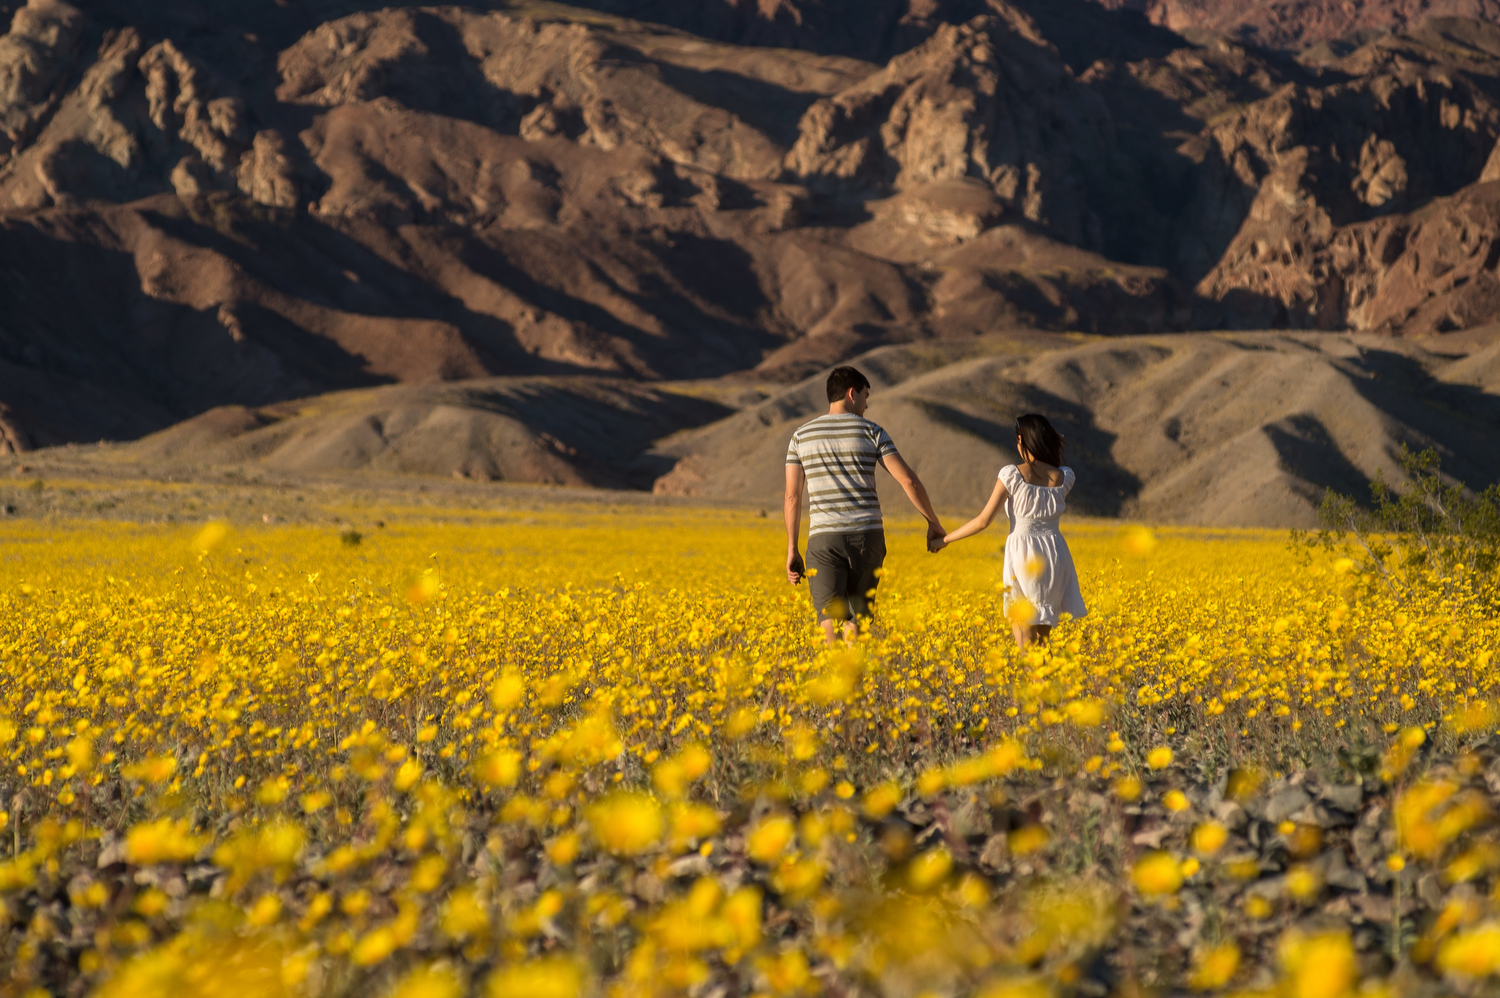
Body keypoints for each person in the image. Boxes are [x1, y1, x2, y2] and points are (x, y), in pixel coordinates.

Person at [785, 366, 944, 642]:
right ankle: (854, 679)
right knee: (857, 618)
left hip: (823, 538)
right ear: (852, 393)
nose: (867, 404)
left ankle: (835, 682)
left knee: (829, 621)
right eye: (865, 396)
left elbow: (792, 497)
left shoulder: (801, 436)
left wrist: (792, 549)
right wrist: (932, 522)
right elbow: (908, 481)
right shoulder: (873, 431)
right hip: (867, 537)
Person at [932, 413, 1086, 647]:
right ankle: (1052, 682)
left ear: (1022, 440)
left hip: (1024, 554)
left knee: (1025, 641)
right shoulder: (1064, 477)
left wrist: (944, 539)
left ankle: (1034, 682)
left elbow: (983, 520)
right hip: (1055, 554)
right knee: (1043, 641)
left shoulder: (1012, 475)